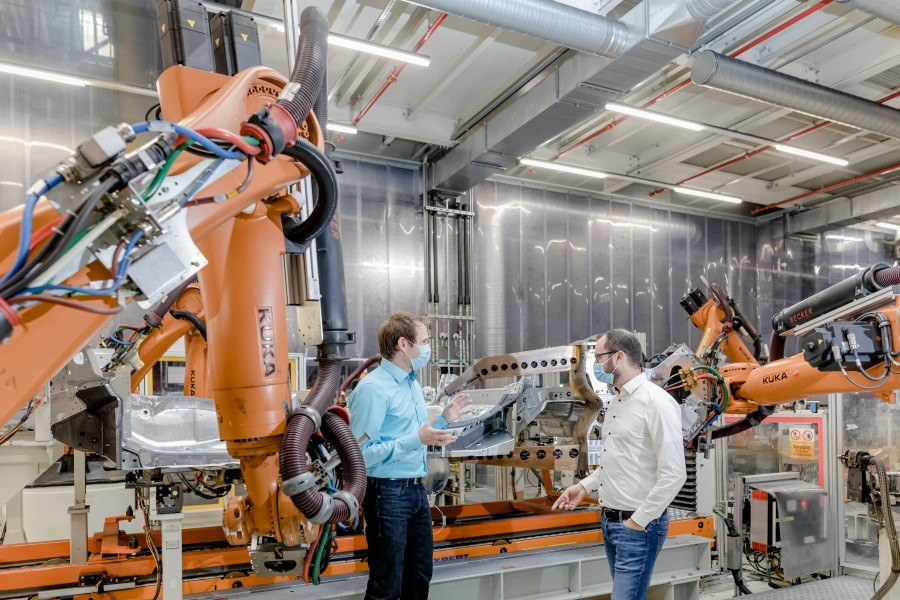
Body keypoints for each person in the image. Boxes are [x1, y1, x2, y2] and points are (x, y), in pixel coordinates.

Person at [553, 329, 686, 600]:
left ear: (619, 357)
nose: (596, 365)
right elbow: (617, 461)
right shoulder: (617, 402)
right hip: (611, 522)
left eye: (599, 357)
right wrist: (583, 487)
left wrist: (638, 522)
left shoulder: (657, 403)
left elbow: (674, 474)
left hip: (638, 526)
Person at [348, 311, 471, 600]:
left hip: (416, 490)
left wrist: (444, 419)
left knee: (419, 576)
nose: (428, 348)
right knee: (387, 584)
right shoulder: (373, 388)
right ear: (403, 344)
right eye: (424, 342)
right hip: (387, 493)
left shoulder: (411, 384)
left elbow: (416, 435)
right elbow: (359, 456)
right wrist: (417, 439)